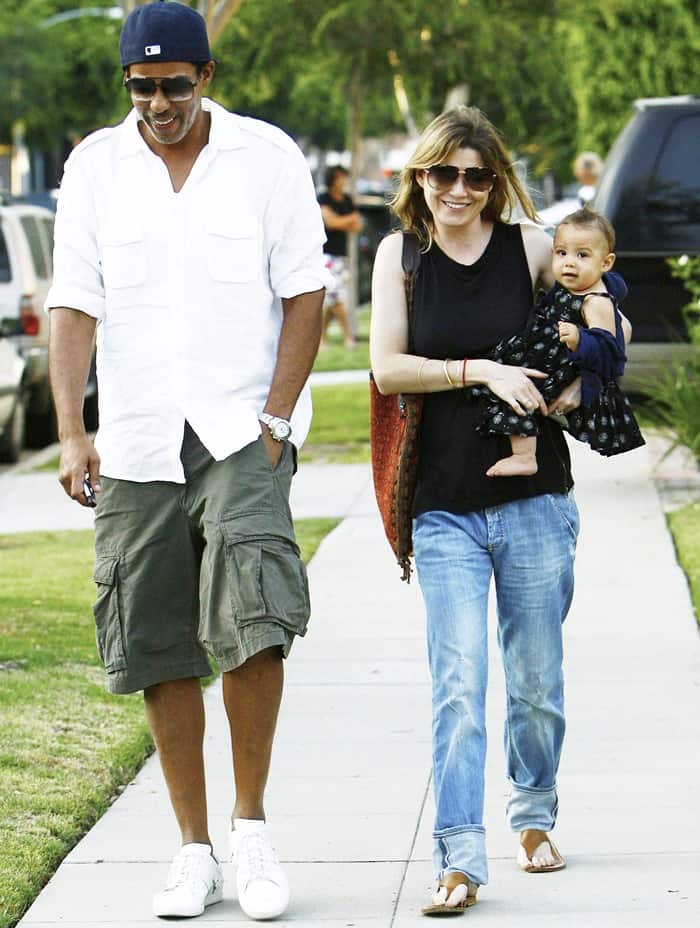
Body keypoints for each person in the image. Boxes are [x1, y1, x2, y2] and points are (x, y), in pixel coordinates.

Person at [46, 1, 329, 921]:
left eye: (173, 84)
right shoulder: (94, 166)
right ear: (126, 83)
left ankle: (251, 831)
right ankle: (194, 848)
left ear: (206, 76)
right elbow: (73, 303)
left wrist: (277, 419)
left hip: (239, 431)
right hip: (134, 437)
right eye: (142, 86)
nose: (158, 103)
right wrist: (71, 429)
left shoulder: (267, 158)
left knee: (256, 618)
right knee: (157, 635)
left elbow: (304, 292)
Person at [370, 105, 631, 915]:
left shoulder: (529, 246)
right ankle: (458, 859)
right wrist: (480, 369)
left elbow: (607, 293)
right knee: (459, 686)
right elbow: (385, 367)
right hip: (445, 506)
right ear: (421, 176)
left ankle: (533, 814)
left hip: (534, 502)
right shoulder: (400, 258)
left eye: (475, 176)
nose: (458, 189)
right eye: (443, 173)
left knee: (536, 684)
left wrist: (591, 360)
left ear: (495, 182)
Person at [474, 207, 645, 477]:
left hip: (555, 368)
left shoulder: (596, 301)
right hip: (539, 353)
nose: (568, 263)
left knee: (519, 397)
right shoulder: (573, 287)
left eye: (582, 255)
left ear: (606, 263)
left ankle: (524, 456)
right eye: (561, 253)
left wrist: (581, 339)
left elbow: (609, 350)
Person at [318, 165, 363, 348]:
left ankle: (321, 338)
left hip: (341, 255)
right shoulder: (323, 198)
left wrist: (340, 222)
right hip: (326, 255)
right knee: (336, 296)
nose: (343, 181)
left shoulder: (347, 200)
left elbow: (357, 225)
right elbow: (329, 222)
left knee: (333, 298)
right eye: (340, 178)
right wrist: (346, 221)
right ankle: (348, 337)